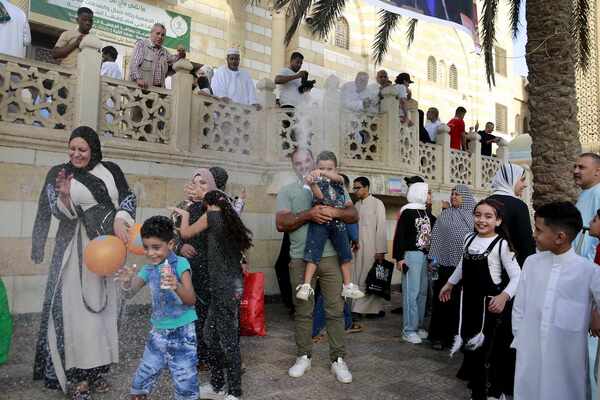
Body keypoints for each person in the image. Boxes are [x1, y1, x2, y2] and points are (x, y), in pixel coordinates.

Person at [31, 126, 136, 399]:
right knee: (78, 316)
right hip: (75, 251)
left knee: (103, 313)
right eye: (72, 149)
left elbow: (127, 197)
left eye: (82, 150)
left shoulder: (111, 170)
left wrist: (121, 218)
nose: (76, 154)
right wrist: (64, 198)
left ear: (93, 149)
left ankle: (97, 371)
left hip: (108, 250)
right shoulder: (59, 173)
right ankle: (77, 376)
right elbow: (50, 209)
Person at [276, 148, 358, 383]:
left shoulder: (332, 185)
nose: (302, 166)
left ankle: (338, 360)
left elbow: (353, 214)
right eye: (297, 163)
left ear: (314, 162)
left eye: (306, 161)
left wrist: (334, 211)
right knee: (303, 311)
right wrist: (308, 214)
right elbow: (281, 223)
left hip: (332, 258)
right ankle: (303, 356)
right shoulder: (287, 191)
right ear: (293, 166)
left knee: (335, 310)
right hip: (300, 259)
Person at [512, 202, 600, 400]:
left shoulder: (589, 272)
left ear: (560, 237)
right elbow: (519, 308)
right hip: (530, 355)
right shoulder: (532, 263)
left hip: (567, 363)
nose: (534, 234)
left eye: (539, 230)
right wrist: (521, 339)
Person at [173, 190, 253, 400]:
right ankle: (217, 385)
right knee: (210, 336)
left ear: (208, 205)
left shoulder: (211, 216)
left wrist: (184, 215)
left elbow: (186, 233)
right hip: (230, 286)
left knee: (227, 340)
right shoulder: (230, 219)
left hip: (223, 288)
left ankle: (235, 392)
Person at [439, 199, 521, 400]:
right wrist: (449, 284)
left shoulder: (501, 245)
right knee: (472, 352)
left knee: (489, 353)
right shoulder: (468, 238)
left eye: (488, 216)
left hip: (490, 309)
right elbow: (461, 266)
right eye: (478, 215)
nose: (481, 220)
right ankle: (477, 391)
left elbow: (519, 277)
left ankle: (494, 392)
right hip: (468, 305)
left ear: (498, 221)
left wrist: (504, 296)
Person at [115, 216, 198, 400]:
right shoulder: (148, 269)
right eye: (146, 248)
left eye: (156, 247)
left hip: (183, 333)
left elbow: (191, 300)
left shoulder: (181, 265)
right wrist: (127, 283)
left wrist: (175, 285)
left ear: (170, 243)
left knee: (185, 383)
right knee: (142, 379)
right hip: (158, 333)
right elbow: (128, 294)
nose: (150, 253)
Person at [296, 151, 364, 301]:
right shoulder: (318, 182)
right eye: (321, 168)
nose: (325, 172)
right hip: (320, 222)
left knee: (345, 253)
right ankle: (306, 285)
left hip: (338, 223)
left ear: (335, 169)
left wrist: (321, 172)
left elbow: (337, 178)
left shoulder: (339, 181)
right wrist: (312, 183)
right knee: (313, 252)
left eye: (329, 168)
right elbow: (319, 196)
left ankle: (347, 286)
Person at [172, 169, 216, 371]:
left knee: (204, 312)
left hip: (208, 266)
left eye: (203, 182)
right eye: (194, 182)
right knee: (185, 311)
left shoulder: (212, 208)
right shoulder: (181, 207)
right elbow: (167, 238)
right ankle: (184, 353)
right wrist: (180, 246)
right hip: (185, 268)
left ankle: (204, 355)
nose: (197, 186)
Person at [428, 185, 475, 350]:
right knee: (441, 302)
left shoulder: (473, 218)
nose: (454, 197)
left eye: (457, 194)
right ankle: (438, 337)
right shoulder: (444, 216)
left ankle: (458, 338)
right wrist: (433, 270)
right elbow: (435, 243)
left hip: (465, 269)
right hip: (444, 268)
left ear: (466, 197)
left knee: (460, 305)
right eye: (452, 194)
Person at [573, 153, 600, 398]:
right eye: (575, 166)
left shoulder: (598, 193)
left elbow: (592, 247)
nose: (576, 170)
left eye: (582, 167)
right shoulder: (584, 194)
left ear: (598, 172)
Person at [393, 181, 432, 344]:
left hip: (425, 256)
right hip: (411, 256)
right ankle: (408, 329)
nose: (429, 195)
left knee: (423, 292)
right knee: (412, 292)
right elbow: (399, 236)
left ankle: (419, 326)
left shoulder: (426, 213)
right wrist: (399, 257)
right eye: (427, 192)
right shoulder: (408, 213)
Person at [351, 176, 388, 318]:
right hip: (358, 248)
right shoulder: (356, 205)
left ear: (366, 187)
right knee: (358, 277)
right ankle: (357, 308)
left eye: (358, 187)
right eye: (354, 188)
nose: (355, 191)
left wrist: (381, 251)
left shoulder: (377, 204)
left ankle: (373, 310)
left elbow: (382, 228)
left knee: (371, 278)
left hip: (373, 249)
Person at [488, 163, 535, 267]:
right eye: (522, 180)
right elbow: (525, 244)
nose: (525, 184)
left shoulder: (485, 203)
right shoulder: (519, 206)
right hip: (512, 268)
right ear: (511, 179)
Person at [129, 23, 186, 89]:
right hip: (141, 89)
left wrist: (181, 54)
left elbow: (174, 59)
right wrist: (138, 79)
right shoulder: (142, 44)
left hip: (157, 94)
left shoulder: (164, 52)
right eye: (158, 33)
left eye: (162, 35)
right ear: (151, 33)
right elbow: (134, 64)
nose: (160, 37)